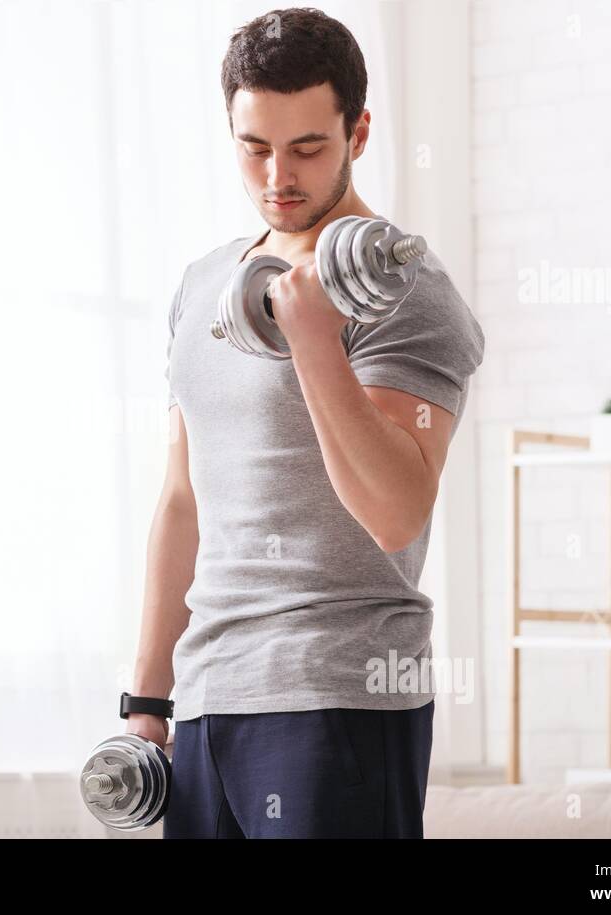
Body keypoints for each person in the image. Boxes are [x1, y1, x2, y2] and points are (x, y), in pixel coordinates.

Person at [123, 7, 485, 838]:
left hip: (340, 693)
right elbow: (183, 500)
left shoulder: (404, 285)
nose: (277, 175)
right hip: (211, 695)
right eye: (255, 148)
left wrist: (317, 341)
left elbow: (397, 510)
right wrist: (147, 699)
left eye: (308, 147)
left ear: (359, 132)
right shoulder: (204, 283)